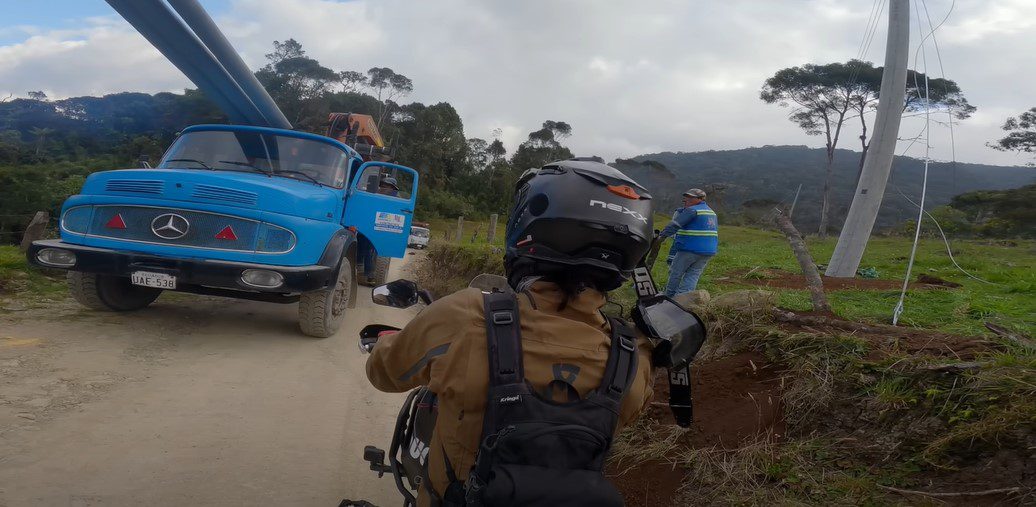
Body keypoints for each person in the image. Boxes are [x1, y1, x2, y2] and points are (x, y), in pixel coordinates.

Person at [365, 159, 657, 506]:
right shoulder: (633, 356)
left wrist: (385, 344)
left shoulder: (466, 315)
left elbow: (384, 374)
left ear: (529, 227)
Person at [658, 188, 718, 297]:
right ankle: (682, 299)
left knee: (676, 273)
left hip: (690, 248)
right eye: (686, 197)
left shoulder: (692, 210)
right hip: (708, 251)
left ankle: (669, 296)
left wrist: (661, 236)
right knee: (693, 275)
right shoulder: (711, 212)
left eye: (690, 197)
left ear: (700, 199)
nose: (686, 199)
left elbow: (675, 224)